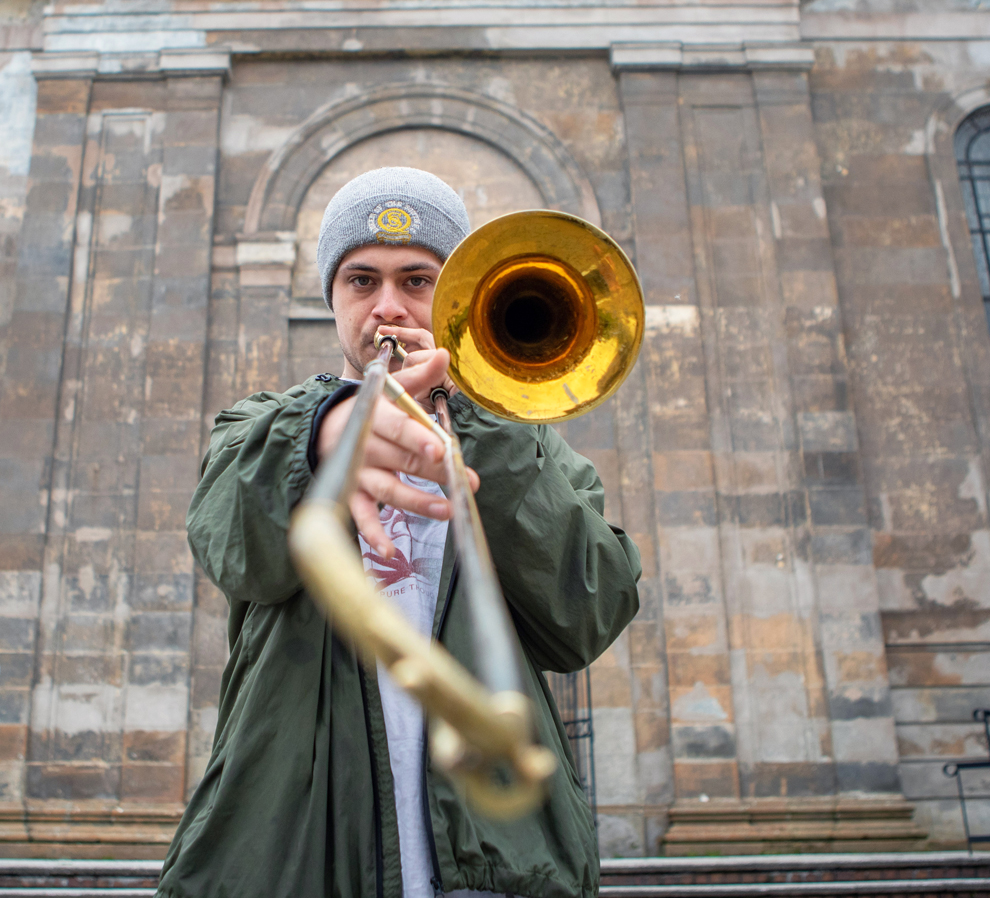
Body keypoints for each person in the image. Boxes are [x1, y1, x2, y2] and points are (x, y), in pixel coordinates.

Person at [158, 167, 642, 898]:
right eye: (361, 281)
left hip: (497, 861)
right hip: (294, 855)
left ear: (458, 295)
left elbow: (585, 617)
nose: (388, 307)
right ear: (332, 297)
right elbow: (231, 546)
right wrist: (319, 433)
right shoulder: (257, 428)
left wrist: (480, 423)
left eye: (417, 281)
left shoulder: (530, 448)